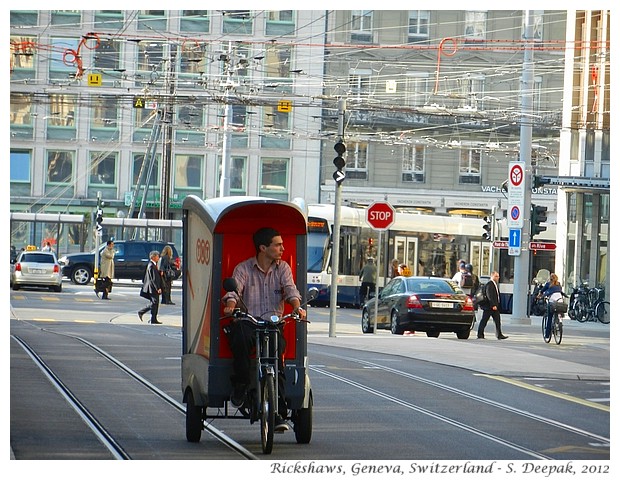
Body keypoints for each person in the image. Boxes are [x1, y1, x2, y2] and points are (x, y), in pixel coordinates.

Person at [222, 227, 305, 433]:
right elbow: (234, 291)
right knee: (239, 338)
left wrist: (297, 307)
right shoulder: (244, 269)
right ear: (263, 248)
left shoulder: (282, 268)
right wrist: (231, 307)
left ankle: (279, 409)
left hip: (274, 323)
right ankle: (241, 384)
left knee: (278, 356)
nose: (282, 248)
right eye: (277, 245)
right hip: (250, 321)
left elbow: (290, 289)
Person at [477, 271, 508, 340]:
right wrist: (493, 305)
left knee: (497, 321)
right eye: (496, 276)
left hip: (494, 307)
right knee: (484, 320)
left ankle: (499, 334)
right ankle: (480, 334)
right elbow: (489, 295)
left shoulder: (495, 284)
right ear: (492, 276)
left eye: (498, 276)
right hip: (489, 307)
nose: (498, 278)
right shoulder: (490, 284)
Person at [138, 251, 163, 324]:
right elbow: (153, 279)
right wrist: (157, 288)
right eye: (157, 256)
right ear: (153, 257)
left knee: (154, 303)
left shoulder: (153, 265)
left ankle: (153, 318)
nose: (158, 257)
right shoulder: (151, 265)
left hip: (152, 288)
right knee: (154, 303)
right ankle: (142, 312)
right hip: (152, 288)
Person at [539, 273, 563, 339]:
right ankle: (559, 322)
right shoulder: (559, 284)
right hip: (560, 301)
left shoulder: (548, 284)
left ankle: (547, 335)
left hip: (553, 302)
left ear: (550, 279)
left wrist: (539, 296)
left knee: (550, 317)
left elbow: (542, 291)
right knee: (559, 311)